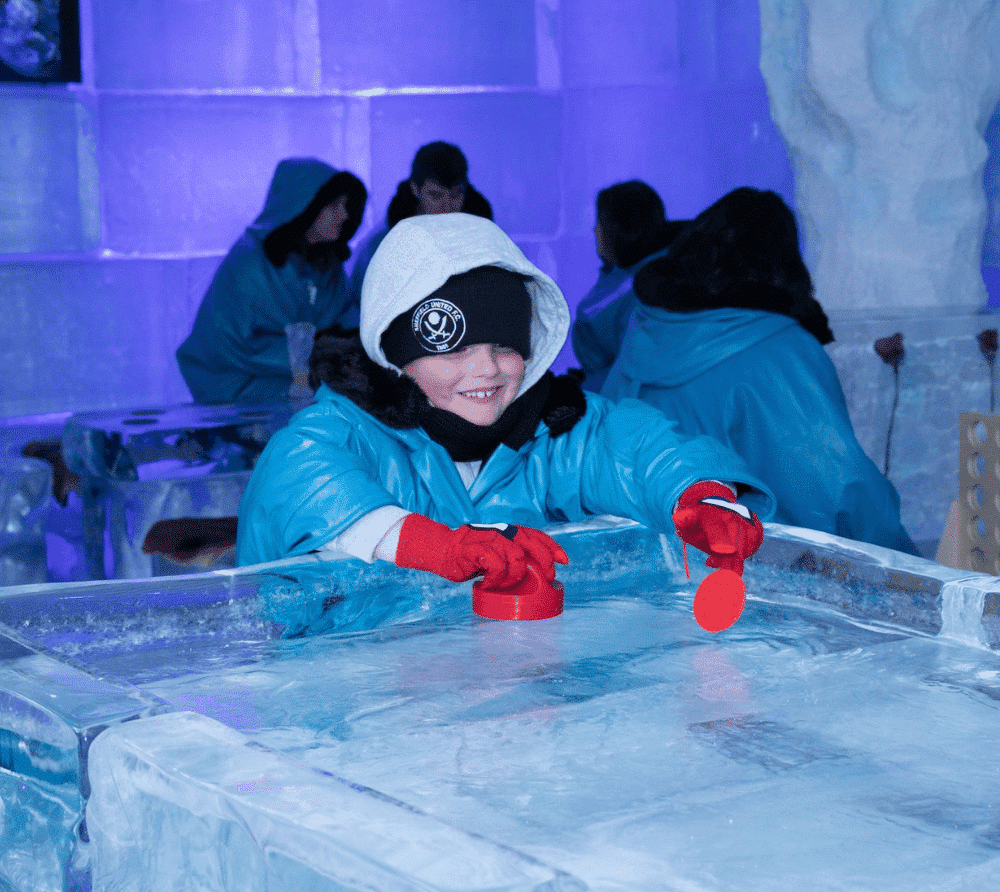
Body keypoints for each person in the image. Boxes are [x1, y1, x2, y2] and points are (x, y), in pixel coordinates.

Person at [236, 213, 776, 591]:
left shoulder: (550, 430)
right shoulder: (344, 433)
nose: (487, 369)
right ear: (396, 359)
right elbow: (298, 479)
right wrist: (430, 546)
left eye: (504, 345)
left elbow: (635, 446)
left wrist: (697, 493)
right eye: (455, 350)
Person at [601, 187, 920, 556]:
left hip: (651, 563)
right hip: (755, 574)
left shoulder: (645, 329)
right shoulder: (780, 352)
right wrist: (902, 564)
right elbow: (835, 484)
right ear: (783, 260)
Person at [176, 158, 367, 404]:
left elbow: (344, 320)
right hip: (236, 384)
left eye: (346, 205)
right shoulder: (248, 267)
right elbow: (231, 346)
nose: (344, 215)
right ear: (303, 207)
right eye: (332, 205)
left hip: (300, 379)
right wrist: (317, 356)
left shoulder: (327, 264)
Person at [571, 181, 687, 391]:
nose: (594, 230)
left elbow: (621, 379)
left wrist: (581, 390)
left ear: (611, 229)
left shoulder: (600, 309)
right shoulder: (687, 265)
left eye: (598, 223)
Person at [347, 141, 493, 307]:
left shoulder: (483, 243)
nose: (447, 208)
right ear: (415, 189)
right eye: (436, 196)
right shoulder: (381, 246)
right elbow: (361, 312)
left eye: (455, 196)